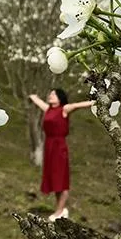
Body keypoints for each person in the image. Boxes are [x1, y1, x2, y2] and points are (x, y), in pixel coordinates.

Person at [28, 89, 95, 221]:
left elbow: (78, 105)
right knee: (54, 180)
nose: (50, 95)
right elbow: (38, 102)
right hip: (49, 146)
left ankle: (59, 211)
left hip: (59, 146)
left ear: (60, 97)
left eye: (53, 94)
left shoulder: (64, 109)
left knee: (61, 180)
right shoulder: (48, 109)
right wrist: (32, 96)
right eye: (50, 94)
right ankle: (60, 209)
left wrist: (96, 102)